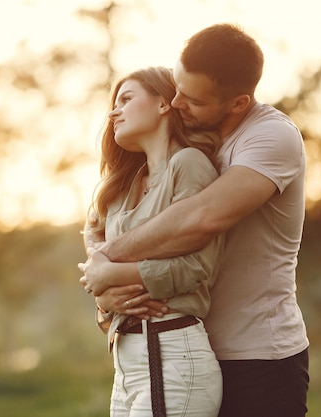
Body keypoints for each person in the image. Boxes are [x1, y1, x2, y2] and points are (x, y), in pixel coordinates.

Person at [81, 23, 310, 417]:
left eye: (193, 100)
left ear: (238, 103)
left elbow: (203, 218)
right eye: (176, 89)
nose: (177, 103)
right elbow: (102, 222)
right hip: (179, 343)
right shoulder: (186, 141)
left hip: (256, 355)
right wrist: (104, 293)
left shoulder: (269, 137)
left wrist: (108, 265)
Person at [79, 66, 224, 417]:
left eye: (126, 99)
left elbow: (198, 268)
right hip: (127, 365)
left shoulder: (188, 164)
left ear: (164, 103)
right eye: (115, 103)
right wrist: (104, 298)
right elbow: (95, 255)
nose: (114, 111)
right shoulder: (121, 189)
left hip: (172, 356)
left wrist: (111, 277)